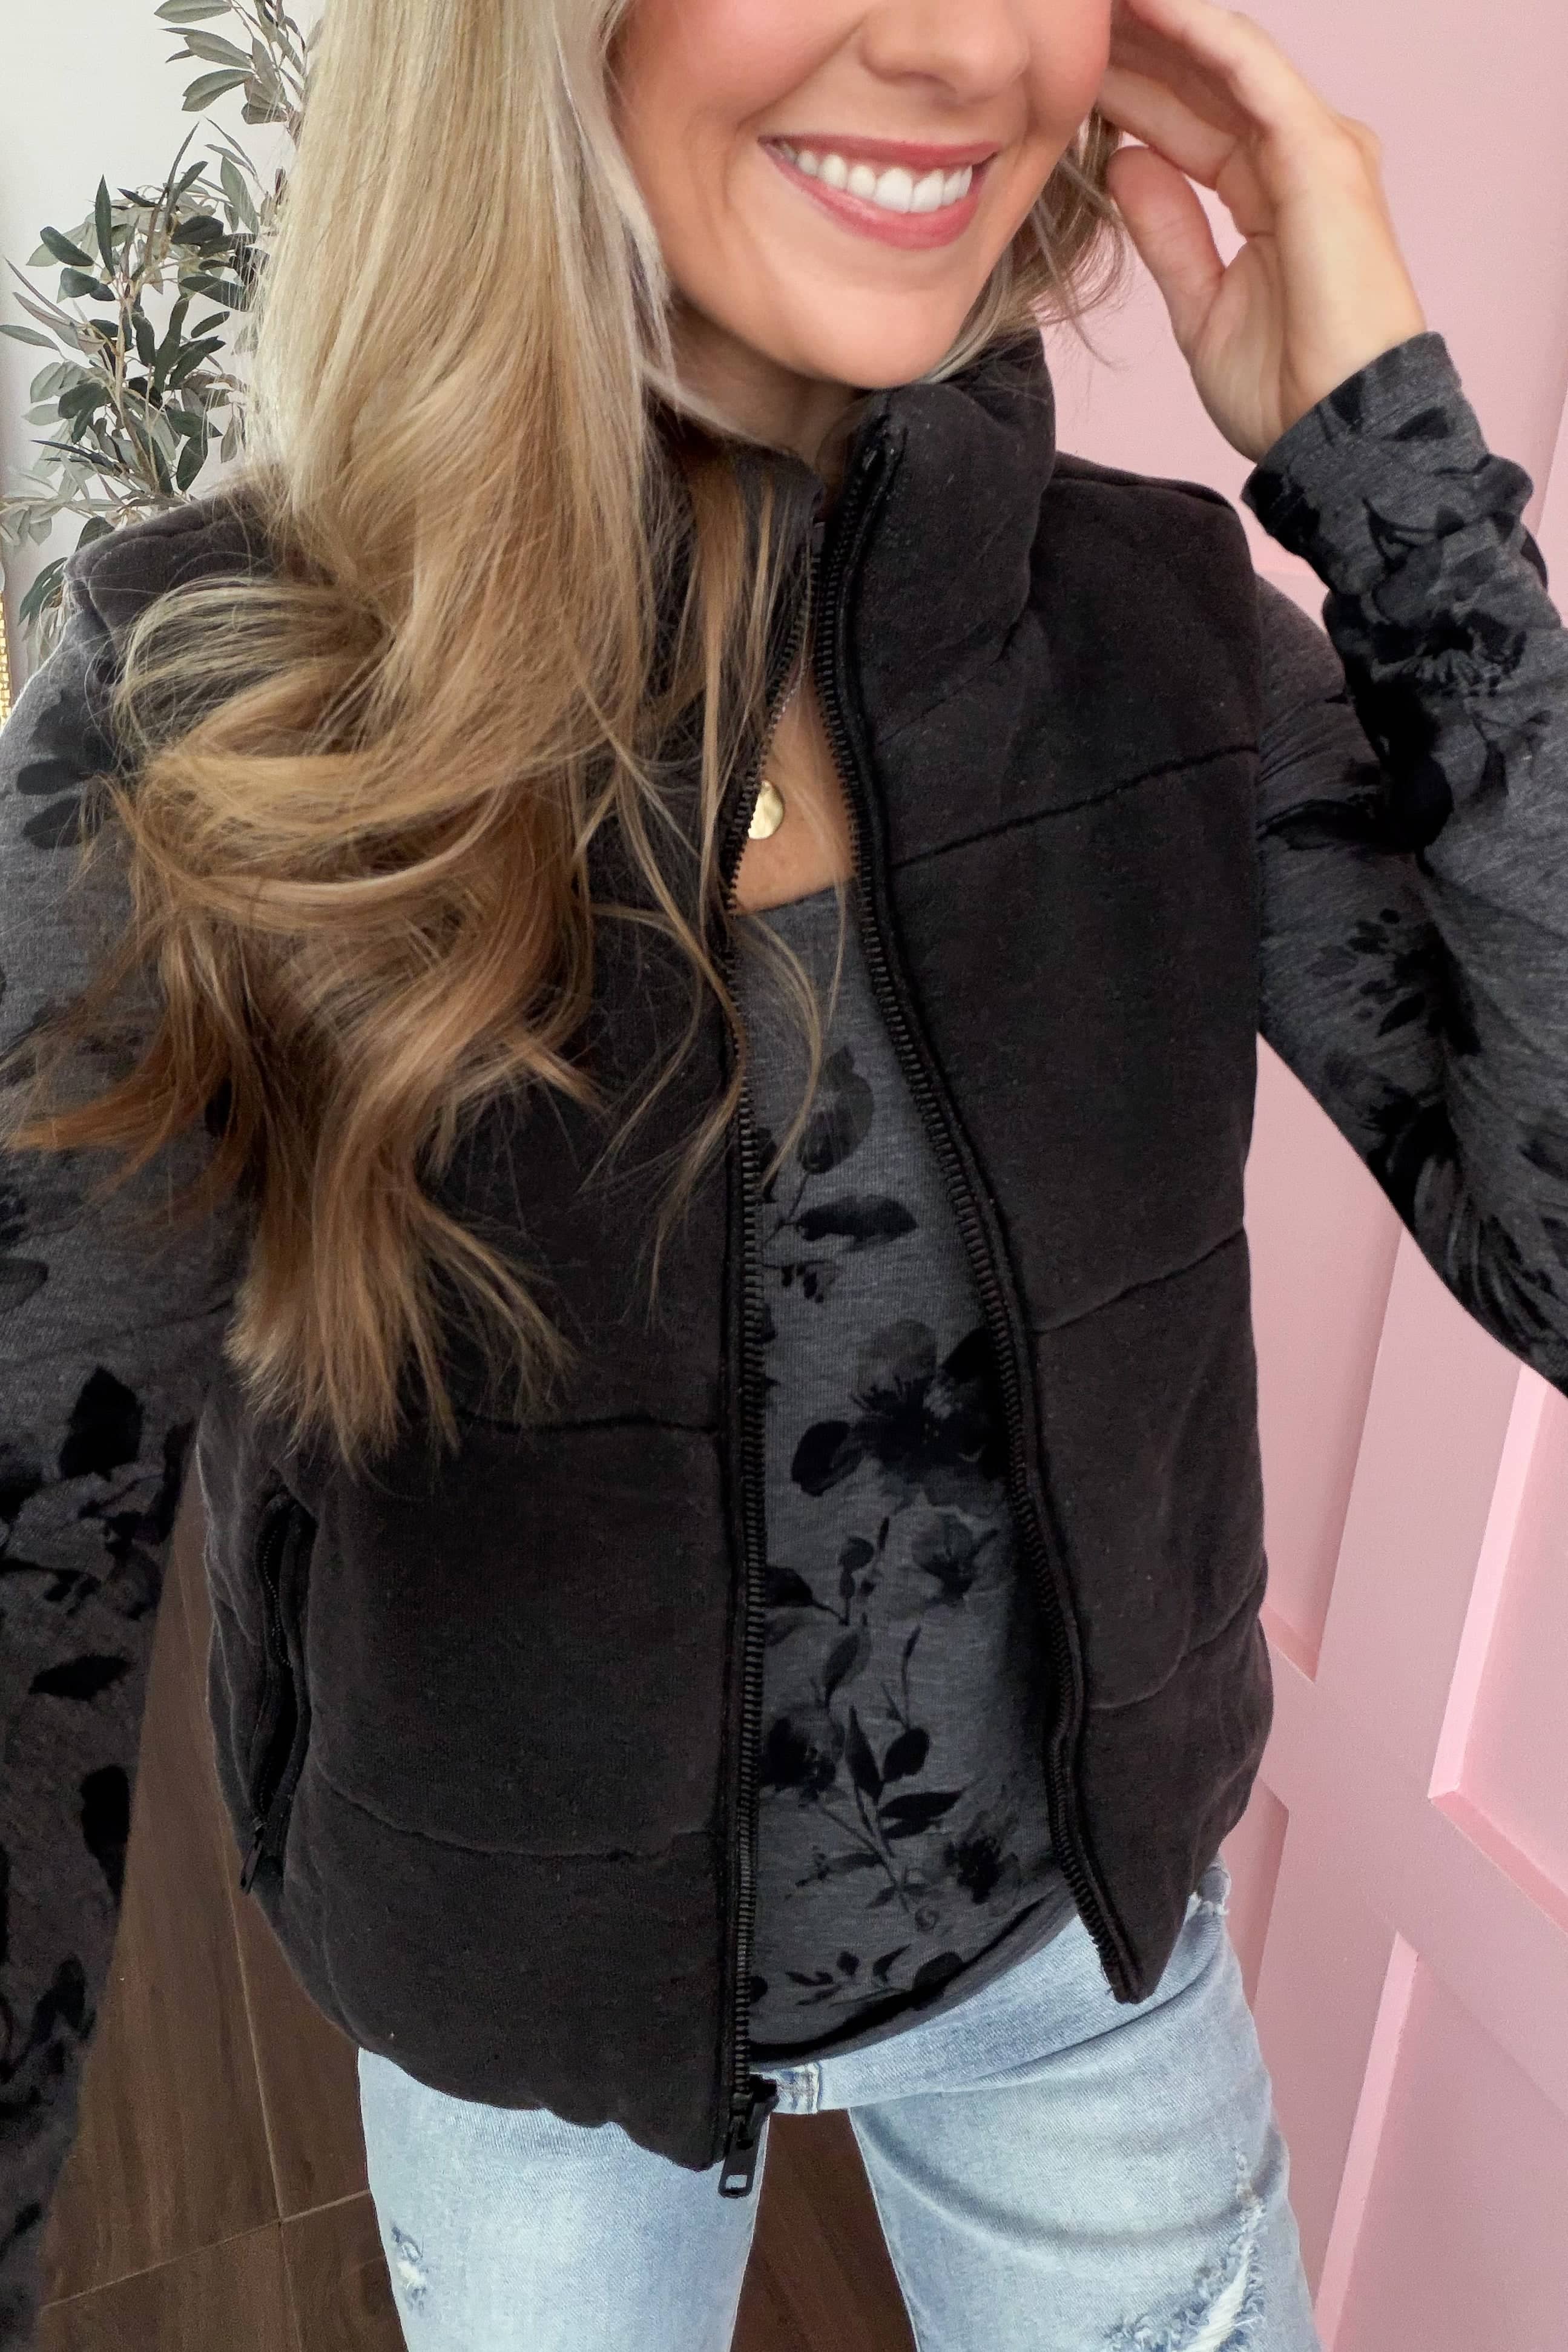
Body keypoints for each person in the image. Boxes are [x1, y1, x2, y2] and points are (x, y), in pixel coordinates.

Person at [2, 0, 1564, 2344]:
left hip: (1073, 1958)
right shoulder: (206, 706)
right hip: (514, 1993)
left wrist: (1398, 482)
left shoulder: (1161, 648)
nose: (953, 42)